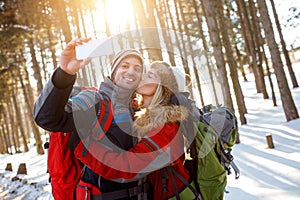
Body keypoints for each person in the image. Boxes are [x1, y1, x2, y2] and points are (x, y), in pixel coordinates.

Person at [33, 38, 146, 199]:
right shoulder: (95, 101)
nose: (131, 72)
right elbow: (47, 118)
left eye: (137, 68)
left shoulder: (138, 110)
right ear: (113, 72)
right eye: (125, 66)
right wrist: (64, 73)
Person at [73, 61, 201, 200]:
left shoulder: (166, 127)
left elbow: (129, 166)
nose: (142, 76)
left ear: (162, 88)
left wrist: (85, 148)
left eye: (150, 76)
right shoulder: (139, 113)